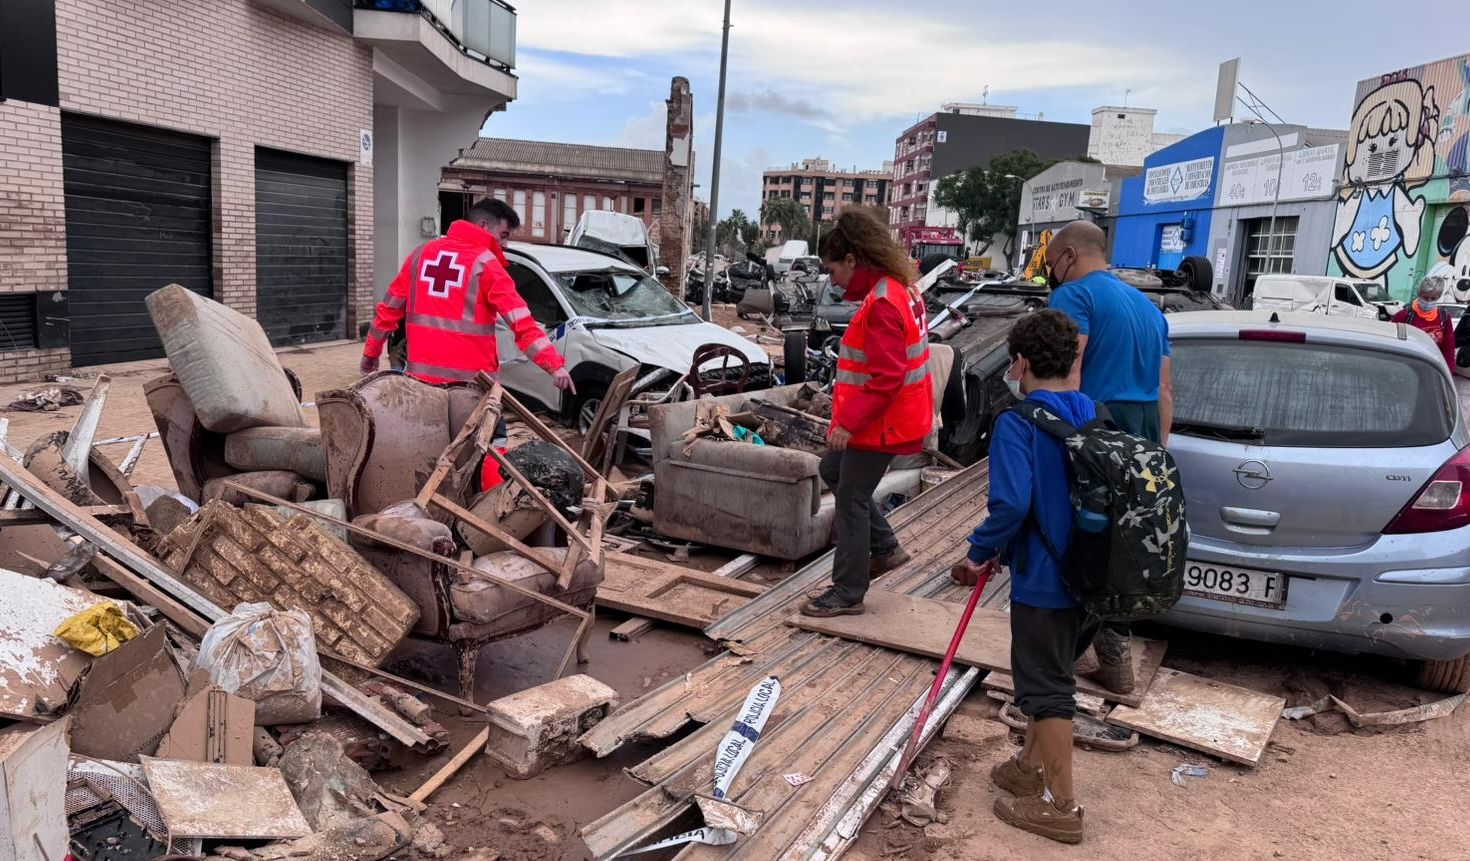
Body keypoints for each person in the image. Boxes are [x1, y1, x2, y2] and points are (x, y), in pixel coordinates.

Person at [957, 309, 1097, 845]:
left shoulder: (1017, 423)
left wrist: (977, 553)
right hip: (1091, 577)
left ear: (1019, 362)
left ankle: (1062, 807)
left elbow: (1012, 504)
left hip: (1045, 577)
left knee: (1048, 687)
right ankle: (1026, 767)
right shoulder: (1090, 412)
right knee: (1050, 677)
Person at [1045, 220, 1171, 695]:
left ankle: (1056, 668)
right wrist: (1156, 455)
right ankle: (1115, 652)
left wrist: (1055, 441)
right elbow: (1164, 389)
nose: (1053, 273)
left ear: (1070, 256)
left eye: (1053, 262)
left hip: (1093, 427)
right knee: (1117, 547)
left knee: (1078, 544)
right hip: (1139, 436)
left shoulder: (1074, 296)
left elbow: (1068, 373)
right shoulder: (1148, 308)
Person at [800, 208, 933, 618]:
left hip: (883, 424)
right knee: (834, 472)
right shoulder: (900, 289)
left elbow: (885, 378)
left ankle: (848, 592)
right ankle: (887, 548)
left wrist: (847, 424)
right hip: (897, 418)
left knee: (852, 498)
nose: (832, 280)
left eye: (833, 269)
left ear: (854, 260)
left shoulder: (882, 305)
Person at [360, 197, 576, 395]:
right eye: (503, 235)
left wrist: (371, 354)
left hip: (422, 385)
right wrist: (554, 366)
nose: (505, 245)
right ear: (483, 226)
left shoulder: (420, 254)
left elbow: (387, 310)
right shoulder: (487, 265)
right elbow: (522, 323)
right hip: (470, 389)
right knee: (489, 436)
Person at [1392, 275, 1455, 369]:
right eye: (1425, 297)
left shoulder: (1444, 318)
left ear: (1438, 297)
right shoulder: (1404, 315)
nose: (1429, 301)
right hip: (1405, 366)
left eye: (1433, 298)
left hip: (1431, 369)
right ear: (1419, 295)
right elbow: (1391, 342)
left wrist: (1448, 373)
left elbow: (1448, 349)